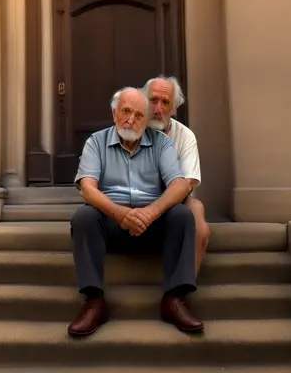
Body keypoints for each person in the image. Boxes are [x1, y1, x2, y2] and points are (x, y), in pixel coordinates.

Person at [68, 87, 203, 338]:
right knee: (84, 217)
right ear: (114, 113)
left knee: (183, 216)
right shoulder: (96, 142)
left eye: (139, 115)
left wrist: (151, 212)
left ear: (146, 119)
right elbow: (88, 188)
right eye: (126, 112)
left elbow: (179, 184)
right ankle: (94, 301)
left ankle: (174, 299)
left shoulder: (161, 143)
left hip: (152, 224)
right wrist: (120, 214)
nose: (131, 119)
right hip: (110, 223)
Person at [143, 76, 210, 276]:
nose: (158, 108)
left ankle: (180, 293)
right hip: (135, 198)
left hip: (175, 200)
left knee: (198, 218)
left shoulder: (185, 136)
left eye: (165, 103)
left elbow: (188, 183)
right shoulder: (131, 130)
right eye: (153, 100)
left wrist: (154, 210)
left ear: (173, 109)